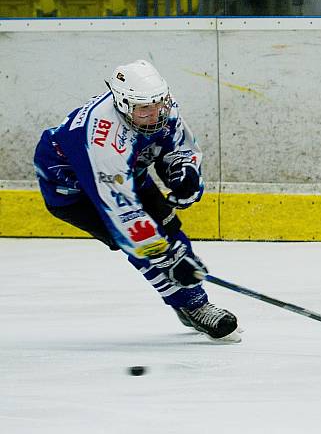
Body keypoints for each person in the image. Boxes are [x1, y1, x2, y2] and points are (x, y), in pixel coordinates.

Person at [33, 59, 240, 342]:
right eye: (145, 109)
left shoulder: (156, 104)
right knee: (143, 247)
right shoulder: (102, 138)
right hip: (74, 191)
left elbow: (178, 145)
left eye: (159, 104)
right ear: (122, 104)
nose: (155, 114)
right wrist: (166, 258)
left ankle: (187, 296)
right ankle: (194, 306)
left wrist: (184, 172)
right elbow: (123, 212)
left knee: (168, 227)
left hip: (127, 172)